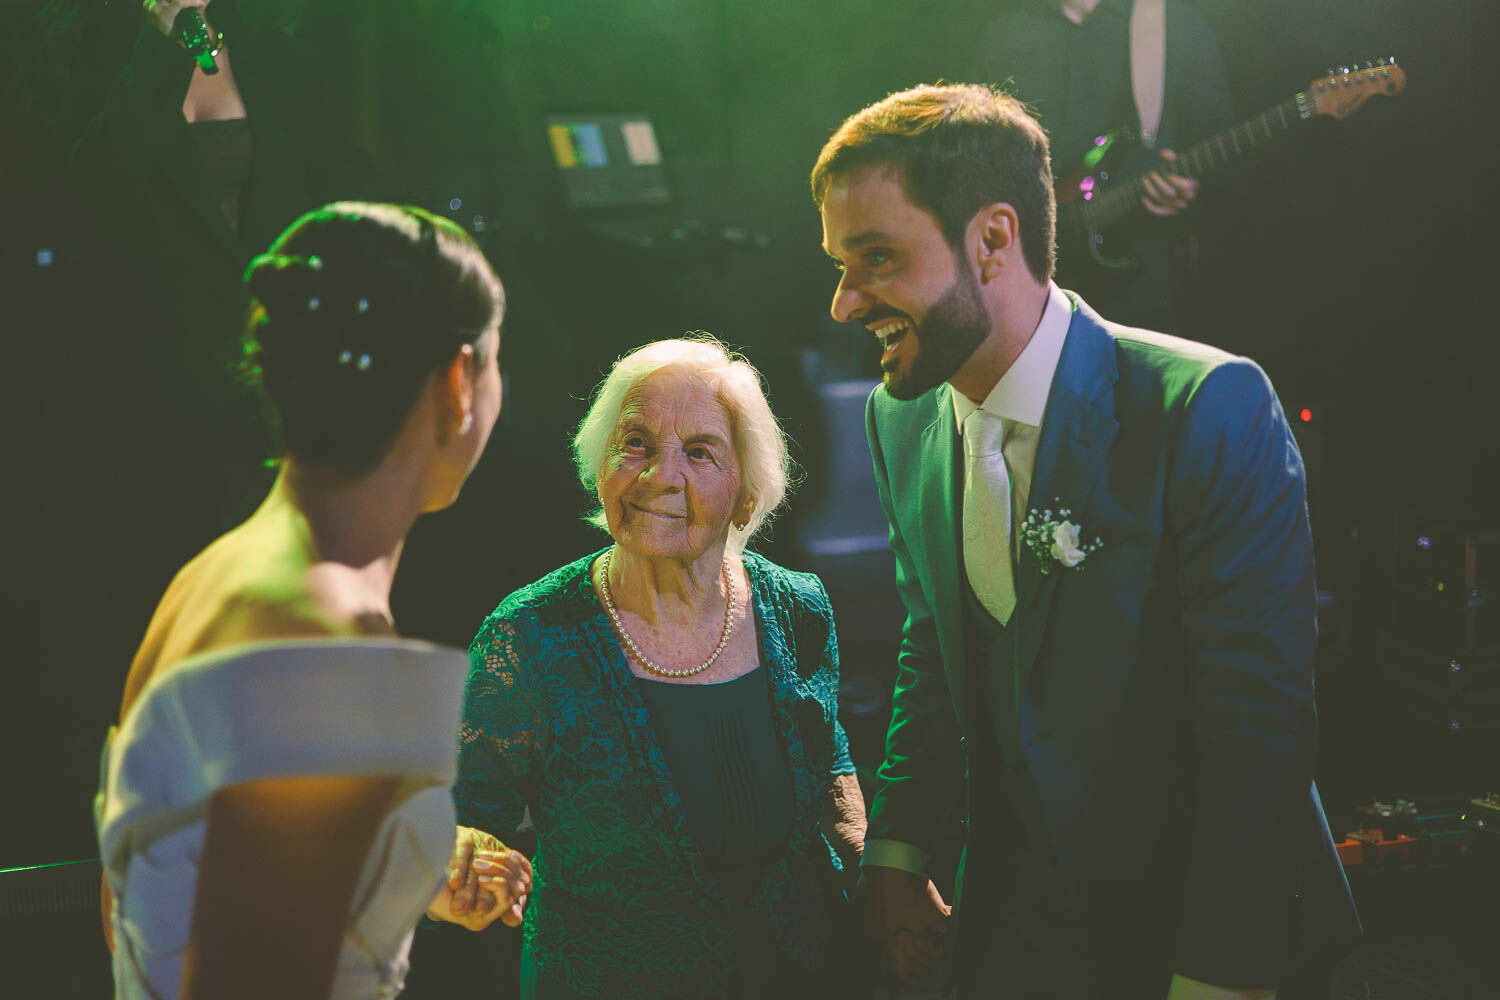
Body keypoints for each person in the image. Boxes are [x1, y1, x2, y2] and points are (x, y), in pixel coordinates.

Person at [812, 85, 1359, 998]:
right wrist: (897, 855)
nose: (843, 302)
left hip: (1201, 932)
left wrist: (1220, 976)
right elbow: (934, 648)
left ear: (993, 240)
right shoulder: (898, 419)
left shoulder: (1204, 406)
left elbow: (1257, 738)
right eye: (840, 265)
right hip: (1014, 932)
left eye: (877, 258)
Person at [95, 202, 531, 1000]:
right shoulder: (326, 635)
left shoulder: (216, 576)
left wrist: (402, 865)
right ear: (458, 383)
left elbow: (136, 900)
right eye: (499, 363)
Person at [456, 337, 868, 998]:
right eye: (636, 443)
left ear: (746, 496)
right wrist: (471, 869)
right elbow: (464, 816)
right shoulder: (529, 635)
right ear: (599, 464)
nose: (659, 475)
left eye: (699, 452)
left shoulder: (797, 608)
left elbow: (830, 772)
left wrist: (885, 896)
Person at [964, 0, 1234, 331]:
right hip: (1021, 294)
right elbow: (972, 164)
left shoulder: (1173, 26)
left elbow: (1222, 161)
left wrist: (1187, 190)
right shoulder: (1001, 36)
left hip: (1138, 293)